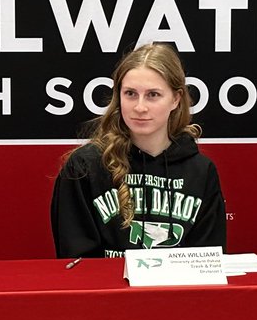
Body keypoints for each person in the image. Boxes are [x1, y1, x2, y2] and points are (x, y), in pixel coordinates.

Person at [51, 43, 226, 258]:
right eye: (131, 94)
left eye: (153, 95)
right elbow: (76, 262)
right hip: (107, 290)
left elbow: (206, 264)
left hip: (176, 291)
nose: (140, 107)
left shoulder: (201, 171)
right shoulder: (85, 166)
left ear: (176, 99)